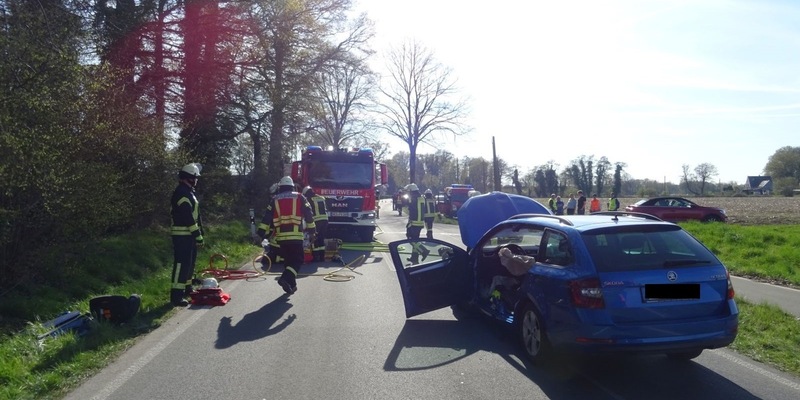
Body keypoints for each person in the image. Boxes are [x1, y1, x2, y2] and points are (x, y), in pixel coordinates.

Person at [257, 176, 316, 294]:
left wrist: (260, 234)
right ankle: (285, 278)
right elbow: (308, 215)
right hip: (296, 236)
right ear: (292, 186)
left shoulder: (275, 199)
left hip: (281, 237)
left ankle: (291, 285)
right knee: (298, 260)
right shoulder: (300, 197)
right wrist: (312, 231)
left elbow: (266, 218)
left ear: (281, 187)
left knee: (289, 261)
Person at [170, 163, 204, 307]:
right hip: (182, 235)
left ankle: (187, 288)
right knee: (181, 265)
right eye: (195, 177)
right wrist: (197, 234)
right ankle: (176, 296)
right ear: (189, 177)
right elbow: (187, 217)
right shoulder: (181, 193)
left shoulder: (189, 192)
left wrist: (199, 233)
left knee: (189, 263)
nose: (196, 180)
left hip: (189, 236)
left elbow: (196, 216)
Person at [405, 183, 430, 264]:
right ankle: (414, 258)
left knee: (410, 238)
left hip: (414, 222)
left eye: (409, 191)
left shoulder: (413, 198)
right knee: (415, 240)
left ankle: (424, 251)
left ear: (411, 191)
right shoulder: (421, 198)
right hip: (420, 222)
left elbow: (410, 209)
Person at [303, 186, 328, 261]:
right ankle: (322, 257)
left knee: (314, 238)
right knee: (321, 238)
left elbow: (307, 211)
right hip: (325, 220)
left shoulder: (309, 199)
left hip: (317, 220)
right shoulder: (321, 198)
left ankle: (315, 257)